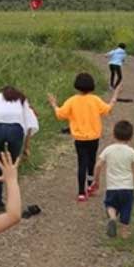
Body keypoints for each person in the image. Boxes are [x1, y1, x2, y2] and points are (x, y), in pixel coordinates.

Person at [48, 72, 122, 201]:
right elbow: (108, 109)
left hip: (79, 139)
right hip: (94, 137)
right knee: (91, 163)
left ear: (77, 86)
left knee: (81, 163)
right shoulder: (95, 100)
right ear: (91, 85)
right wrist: (115, 95)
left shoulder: (72, 100)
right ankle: (90, 186)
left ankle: (81, 192)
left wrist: (54, 104)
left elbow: (60, 115)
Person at [0, 86, 40, 213]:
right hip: (15, 129)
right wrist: (26, 148)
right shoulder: (21, 100)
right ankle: (13, 201)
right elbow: (30, 124)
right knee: (12, 166)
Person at [92, 120, 134, 239]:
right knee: (126, 208)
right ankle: (124, 233)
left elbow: (98, 165)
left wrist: (96, 180)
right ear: (131, 137)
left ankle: (112, 218)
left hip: (112, 186)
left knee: (110, 204)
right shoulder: (132, 152)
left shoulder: (108, 150)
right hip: (127, 187)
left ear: (113, 134)